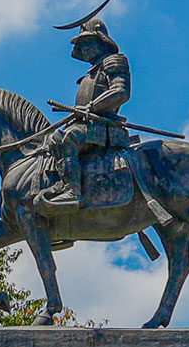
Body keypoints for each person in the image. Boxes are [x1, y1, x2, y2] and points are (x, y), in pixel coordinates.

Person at [38, 14, 131, 209]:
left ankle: (73, 192)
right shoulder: (91, 73)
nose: (84, 49)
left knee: (67, 139)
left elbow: (120, 91)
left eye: (88, 42)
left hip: (103, 127)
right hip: (86, 124)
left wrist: (91, 107)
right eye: (82, 45)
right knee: (52, 139)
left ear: (101, 41)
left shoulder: (114, 61)